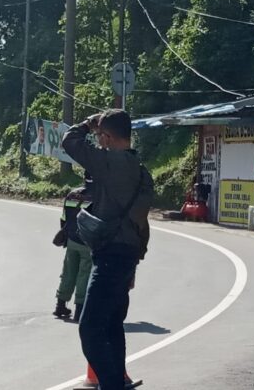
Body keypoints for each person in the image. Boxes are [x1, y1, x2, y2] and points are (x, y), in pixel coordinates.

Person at [61, 110, 153, 390]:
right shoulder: (140, 170)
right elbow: (141, 222)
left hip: (110, 255)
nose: (98, 141)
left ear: (107, 136)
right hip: (126, 255)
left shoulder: (108, 162)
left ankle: (112, 385)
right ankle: (115, 383)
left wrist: (87, 124)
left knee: (89, 328)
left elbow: (69, 141)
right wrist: (134, 264)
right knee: (113, 324)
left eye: (100, 136)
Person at [53, 173, 94, 322]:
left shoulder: (72, 194)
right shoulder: (99, 197)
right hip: (88, 243)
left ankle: (60, 305)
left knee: (68, 272)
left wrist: (67, 235)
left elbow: (63, 218)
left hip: (71, 240)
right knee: (84, 274)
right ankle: (79, 310)